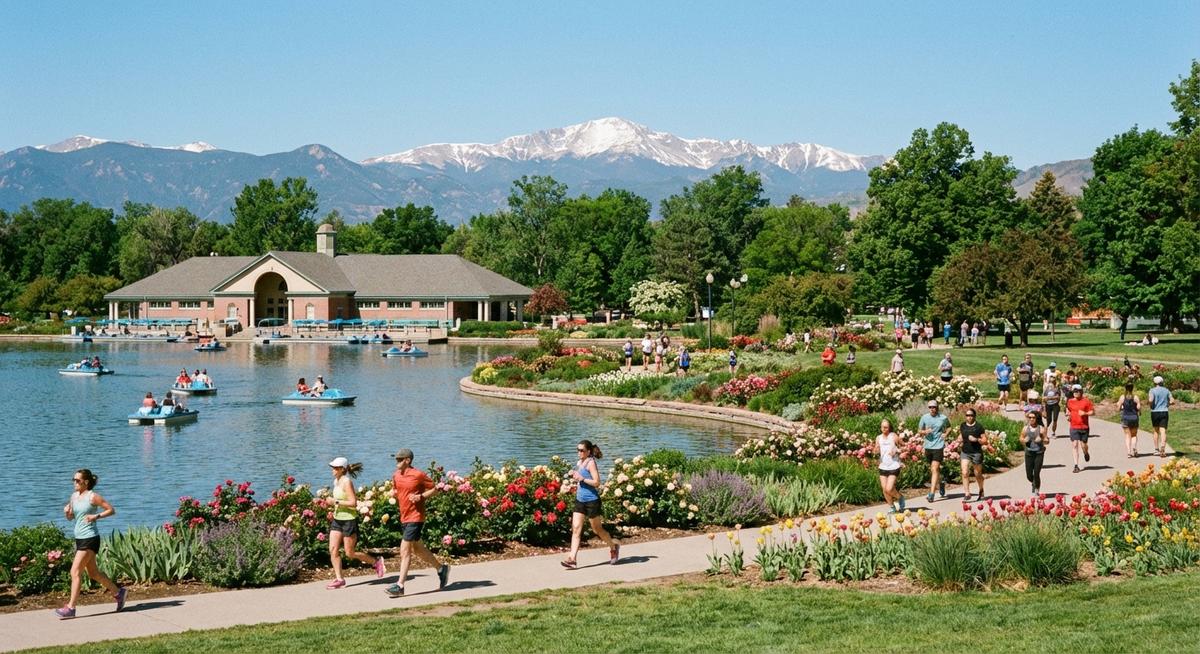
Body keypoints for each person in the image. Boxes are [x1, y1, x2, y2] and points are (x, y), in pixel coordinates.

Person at [55, 469, 125, 619]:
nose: (74, 483)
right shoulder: (74, 496)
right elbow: (71, 518)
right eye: (73, 480)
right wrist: (67, 512)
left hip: (90, 538)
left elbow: (111, 510)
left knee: (75, 572)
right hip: (79, 538)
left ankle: (71, 608)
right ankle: (118, 592)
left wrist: (96, 516)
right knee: (93, 573)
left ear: (86, 482)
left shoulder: (93, 497)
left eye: (77, 480)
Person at [385, 448, 449, 598]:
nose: (397, 462)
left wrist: (421, 497)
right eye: (396, 459)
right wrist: (394, 493)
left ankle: (400, 586)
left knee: (405, 550)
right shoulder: (396, 475)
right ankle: (441, 569)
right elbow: (396, 490)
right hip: (404, 517)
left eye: (400, 459)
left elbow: (435, 489)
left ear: (407, 460)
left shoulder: (418, 475)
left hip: (416, 517)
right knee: (418, 549)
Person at [325, 457, 386, 589]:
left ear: (342, 469)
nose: (332, 470)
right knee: (333, 550)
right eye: (332, 467)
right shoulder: (336, 481)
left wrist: (335, 502)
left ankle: (376, 562)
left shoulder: (347, 482)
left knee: (349, 553)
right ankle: (339, 579)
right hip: (337, 520)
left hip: (349, 520)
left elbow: (353, 503)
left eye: (335, 468)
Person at [563, 440, 620, 569]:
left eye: (582, 450)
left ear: (588, 451)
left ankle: (613, 547)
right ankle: (572, 559)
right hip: (580, 500)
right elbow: (581, 480)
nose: (579, 453)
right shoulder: (580, 462)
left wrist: (582, 479)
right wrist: (576, 478)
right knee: (576, 529)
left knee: (597, 529)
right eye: (577, 450)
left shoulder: (591, 463)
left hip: (592, 501)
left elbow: (597, 482)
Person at [918, 400, 950, 502]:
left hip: (938, 446)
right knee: (933, 470)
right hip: (928, 446)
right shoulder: (924, 417)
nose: (932, 409)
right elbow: (919, 431)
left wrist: (946, 434)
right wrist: (925, 432)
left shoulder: (943, 418)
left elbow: (949, 427)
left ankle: (931, 494)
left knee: (934, 468)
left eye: (934, 407)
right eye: (930, 407)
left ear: (937, 408)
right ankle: (941, 483)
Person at [877, 419, 904, 513]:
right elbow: (876, 449)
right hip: (883, 466)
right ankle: (892, 507)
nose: (884, 429)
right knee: (885, 490)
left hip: (894, 465)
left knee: (889, 488)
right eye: (882, 427)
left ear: (889, 428)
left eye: (886, 427)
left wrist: (896, 450)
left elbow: (903, 446)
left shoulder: (893, 436)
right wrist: (875, 450)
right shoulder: (878, 438)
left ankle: (900, 497)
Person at [1066, 384, 1094, 473]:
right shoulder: (1070, 401)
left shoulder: (1086, 401)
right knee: (1074, 445)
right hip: (1073, 426)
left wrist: (1085, 413)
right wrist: (1068, 415)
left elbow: (1092, 412)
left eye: (1077, 391)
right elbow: (1068, 410)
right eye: (1074, 391)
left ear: (1081, 392)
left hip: (1084, 426)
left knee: (1083, 445)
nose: (1075, 393)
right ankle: (1076, 465)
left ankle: (1086, 453)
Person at [959, 408, 986, 500]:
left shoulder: (978, 427)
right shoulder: (963, 425)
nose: (969, 417)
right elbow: (962, 435)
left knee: (978, 474)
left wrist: (976, 439)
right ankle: (967, 493)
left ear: (974, 416)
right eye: (967, 415)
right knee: (964, 472)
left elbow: (985, 440)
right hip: (965, 452)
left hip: (976, 452)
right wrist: (958, 440)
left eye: (971, 415)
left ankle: (981, 489)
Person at [1022, 410, 1048, 495]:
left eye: (1033, 417)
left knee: (1036, 473)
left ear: (1037, 418)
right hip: (1029, 453)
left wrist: (1042, 439)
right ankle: (1033, 482)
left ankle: (1037, 489)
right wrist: (1024, 440)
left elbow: (1047, 441)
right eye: (1030, 417)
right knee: (1029, 475)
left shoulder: (1041, 429)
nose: (1031, 419)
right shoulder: (1025, 428)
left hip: (1039, 453)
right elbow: (1021, 438)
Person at [1148, 375, 1174, 457]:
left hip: (1155, 412)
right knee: (1163, 431)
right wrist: (1168, 404)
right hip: (1164, 412)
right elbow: (1172, 401)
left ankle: (1156, 450)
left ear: (1154, 383)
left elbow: (1150, 400)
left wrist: (1151, 405)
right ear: (1162, 382)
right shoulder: (1166, 390)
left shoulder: (1152, 390)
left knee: (1156, 431)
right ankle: (1163, 447)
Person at [1119, 383, 1142, 458]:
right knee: (1134, 435)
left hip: (1125, 417)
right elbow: (1138, 407)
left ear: (1125, 388)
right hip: (1134, 418)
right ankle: (1134, 447)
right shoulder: (1135, 397)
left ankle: (1129, 452)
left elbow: (1118, 407)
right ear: (1132, 388)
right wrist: (1140, 412)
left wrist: (1121, 408)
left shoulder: (1122, 397)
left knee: (1127, 436)